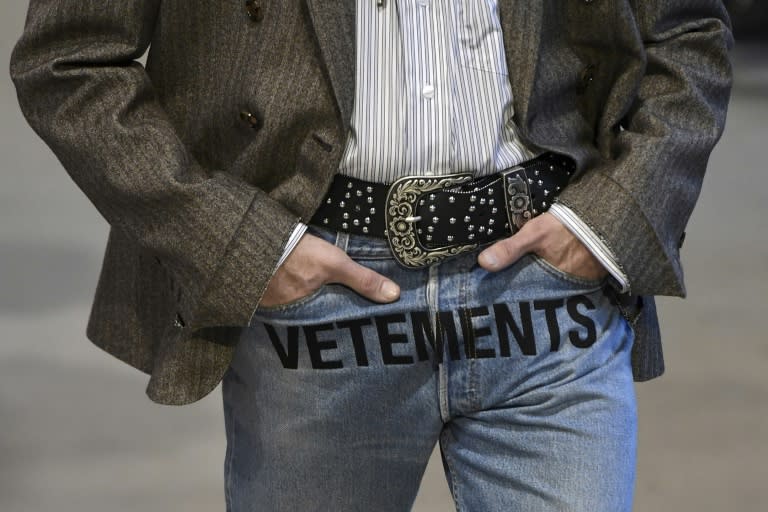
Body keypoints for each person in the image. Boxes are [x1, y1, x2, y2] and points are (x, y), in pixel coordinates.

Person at [10, 1, 733, 510]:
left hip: (546, 284)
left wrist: (611, 217)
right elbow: (69, 60)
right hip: (320, 290)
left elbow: (688, 30)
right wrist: (243, 245)